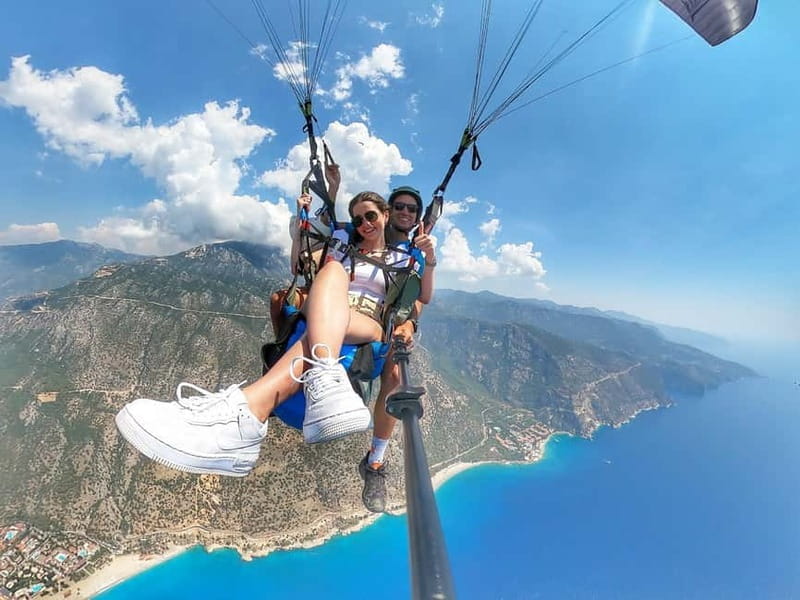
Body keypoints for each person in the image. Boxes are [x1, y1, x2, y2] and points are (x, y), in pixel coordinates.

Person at [115, 191, 435, 478]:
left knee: (322, 312)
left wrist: (427, 265)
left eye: (371, 215)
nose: (365, 222)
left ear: (385, 217)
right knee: (331, 273)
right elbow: (299, 266)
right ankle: (283, 396)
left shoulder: (404, 259)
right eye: (358, 218)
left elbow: (421, 299)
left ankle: (246, 416)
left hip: (368, 322)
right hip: (331, 318)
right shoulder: (341, 252)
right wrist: (300, 228)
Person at [357, 186, 437, 512]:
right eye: (400, 207)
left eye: (412, 210)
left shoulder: (417, 251)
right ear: (389, 210)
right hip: (358, 314)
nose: (406, 213)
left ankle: (375, 461)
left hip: (389, 323)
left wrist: (411, 324)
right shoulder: (369, 231)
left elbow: (421, 297)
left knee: (394, 376)